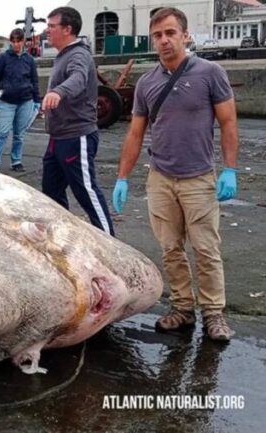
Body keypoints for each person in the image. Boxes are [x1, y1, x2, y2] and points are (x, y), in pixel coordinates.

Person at [111, 7, 238, 341]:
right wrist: (123, 177)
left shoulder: (210, 73)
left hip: (198, 178)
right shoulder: (147, 83)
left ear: (185, 35)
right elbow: (136, 133)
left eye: (170, 33)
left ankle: (214, 314)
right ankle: (183, 307)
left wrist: (230, 170)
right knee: (170, 249)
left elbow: (228, 122)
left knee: (206, 250)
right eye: (157, 35)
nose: (164, 40)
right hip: (161, 178)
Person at [40, 7, 114, 236]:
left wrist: (58, 92)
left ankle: (111, 243)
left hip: (76, 135)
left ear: (68, 29)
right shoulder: (63, 56)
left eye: (52, 26)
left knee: (86, 191)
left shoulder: (78, 55)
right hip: (58, 136)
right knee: (51, 192)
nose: (47, 31)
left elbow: (78, 79)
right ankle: (62, 238)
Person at [0, 28, 41, 172]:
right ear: (11, 41)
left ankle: (16, 161)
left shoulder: (29, 60)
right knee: (2, 133)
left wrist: (36, 100)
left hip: (26, 101)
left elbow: (34, 80)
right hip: (7, 101)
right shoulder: (3, 58)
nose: (16, 44)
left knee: (19, 135)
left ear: (23, 42)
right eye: (13, 41)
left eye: (19, 41)